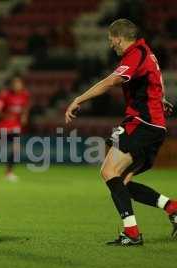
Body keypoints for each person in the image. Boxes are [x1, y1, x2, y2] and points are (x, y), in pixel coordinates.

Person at [65, 19, 177, 246]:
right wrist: (160, 99)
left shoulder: (136, 53)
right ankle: (172, 208)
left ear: (118, 37)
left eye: (110, 40)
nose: (110, 45)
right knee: (123, 182)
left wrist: (79, 98)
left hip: (142, 123)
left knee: (108, 171)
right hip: (155, 126)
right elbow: (156, 81)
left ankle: (132, 233)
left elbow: (112, 81)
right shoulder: (148, 53)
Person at [0, 75, 30, 181]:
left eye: (18, 84)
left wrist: (24, 116)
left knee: (16, 148)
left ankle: (9, 172)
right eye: (15, 84)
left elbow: (25, 108)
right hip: (2, 126)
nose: (17, 86)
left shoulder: (25, 95)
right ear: (11, 85)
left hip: (15, 126)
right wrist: (5, 116)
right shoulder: (5, 95)